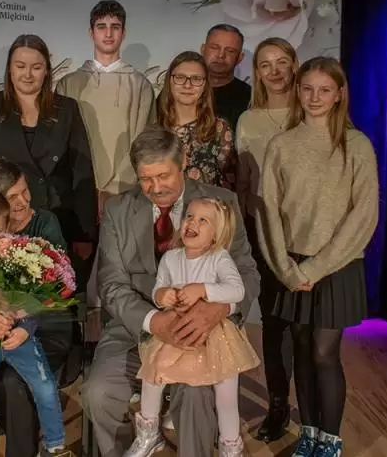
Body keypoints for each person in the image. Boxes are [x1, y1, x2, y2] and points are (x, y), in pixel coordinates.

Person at [81, 126, 261, 457]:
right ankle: (137, 443)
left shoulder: (221, 203)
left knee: (194, 394)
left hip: (201, 331)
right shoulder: (119, 210)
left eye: (163, 176)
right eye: (145, 179)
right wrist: (153, 321)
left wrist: (218, 309)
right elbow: (112, 284)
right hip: (134, 328)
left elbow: (247, 273)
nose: (155, 187)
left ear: (183, 162)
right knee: (97, 394)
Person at [258, 57, 379, 457]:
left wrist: (316, 267)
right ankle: (309, 434)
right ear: (297, 90)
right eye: (308, 88)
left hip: (337, 264)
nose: (315, 97)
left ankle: (330, 440)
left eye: (324, 90)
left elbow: (364, 214)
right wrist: (286, 269)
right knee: (301, 348)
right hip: (293, 266)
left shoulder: (356, 145)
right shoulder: (281, 145)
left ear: (339, 94)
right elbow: (268, 211)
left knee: (324, 352)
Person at [0, 158, 79, 457]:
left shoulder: (44, 223)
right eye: (13, 196)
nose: (24, 201)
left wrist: (20, 320)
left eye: (25, 190)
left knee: (14, 382)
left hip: (42, 327)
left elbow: (57, 287)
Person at [125, 197, 260, 457]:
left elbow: (237, 290)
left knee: (225, 394)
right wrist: (162, 295)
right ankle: (148, 433)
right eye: (189, 216)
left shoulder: (218, 258)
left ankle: (231, 446)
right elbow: (158, 288)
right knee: (154, 376)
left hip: (214, 334)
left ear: (215, 234)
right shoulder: (170, 258)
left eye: (203, 220)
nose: (192, 223)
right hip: (176, 329)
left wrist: (203, 290)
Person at [0, 34, 97, 284]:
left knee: (54, 293)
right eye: (20, 66)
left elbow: (82, 172)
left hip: (58, 221)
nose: (28, 74)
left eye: (36, 67)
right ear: (9, 69)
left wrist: (84, 233)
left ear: (47, 71)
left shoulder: (67, 109)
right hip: (4, 226)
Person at [235, 36, 298, 441]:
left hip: (307, 239)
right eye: (265, 64)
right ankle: (278, 405)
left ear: (294, 65)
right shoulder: (249, 119)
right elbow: (243, 184)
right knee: (273, 324)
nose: (274, 71)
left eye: (281, 62)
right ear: (256, 72)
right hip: (263, 235)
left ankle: (315, 415)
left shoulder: (314, 112)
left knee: (306, 330)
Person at [55, 0, 155, 220]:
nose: (108, 34)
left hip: (125, 191)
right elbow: (61, 143)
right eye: (101, 27)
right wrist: (87, 186)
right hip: (78, 189)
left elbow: (143, 142)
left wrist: (114, 188)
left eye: (115, 27)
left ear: (123, 33)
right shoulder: (68, 84)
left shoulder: (140, 85)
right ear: (91, 33)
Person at [157, 51, 237, 190]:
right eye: (180, 77)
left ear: (205, 85)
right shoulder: (155, 129)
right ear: (169, 81)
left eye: (196, 79)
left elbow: (229, 184)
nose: (188, 85)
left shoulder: (219, 129)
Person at [199, 24, 252, 132]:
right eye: (215, 47)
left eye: (230, 51)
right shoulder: (182, 89)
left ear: (240, 58)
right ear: (203, 49)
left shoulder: (251, 98)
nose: (221, 55)